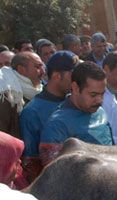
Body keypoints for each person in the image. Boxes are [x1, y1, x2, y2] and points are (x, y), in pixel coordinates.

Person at [19, 51, 79, 181]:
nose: (78, 81)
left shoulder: (75, 101)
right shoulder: (32, 112)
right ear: (57, 76)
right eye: (73, 76)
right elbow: (31, 164)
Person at [39, 61, 113, 166]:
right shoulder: (57, 125)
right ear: (75, 88)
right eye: (93, 95)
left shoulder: (101, 113)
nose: (99, 100)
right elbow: (54, 173)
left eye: (102, 94)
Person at [0, 52, 44, 139]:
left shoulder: (39, 90)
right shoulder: (6, 93)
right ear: (21, 69)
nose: (43, 71)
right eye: (37, 67)